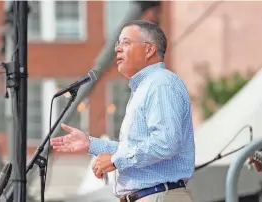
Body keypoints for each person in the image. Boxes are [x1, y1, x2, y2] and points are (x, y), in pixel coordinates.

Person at [51, 20, 195, 202]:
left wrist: (114, 160)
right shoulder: (146, 87)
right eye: (118, 43)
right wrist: (90, 144)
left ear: (149, 49)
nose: (117, 49)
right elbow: (136, 147)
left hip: (159, 196)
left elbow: (165, 143)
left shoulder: (161, 83)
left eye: (125, 42)